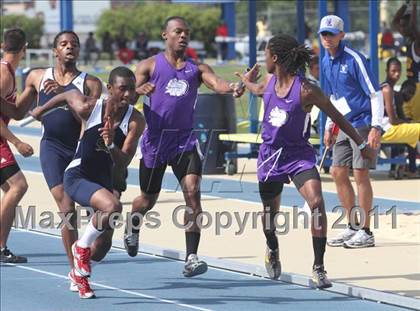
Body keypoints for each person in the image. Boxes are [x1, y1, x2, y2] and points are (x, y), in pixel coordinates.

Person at [236, 34, 375, 288]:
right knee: (269, 217)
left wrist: (362, 143)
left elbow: (339, 117)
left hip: (298, 155)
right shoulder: (267, 83)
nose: (264, 58)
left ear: (275, 58)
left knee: (317, 202)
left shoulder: (307, 90)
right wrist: (245, 82)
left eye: (265, 54)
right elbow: (257, 90)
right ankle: (272, 246)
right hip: (270, 156)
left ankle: (319, 267)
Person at [124, 16, 244, 277]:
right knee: (147, 200)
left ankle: (191, 256)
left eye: (186, 33)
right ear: (165, 35)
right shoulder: (148, 65)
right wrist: (138, 90)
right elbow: (126, 95)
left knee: (192, 193)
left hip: (184, 142)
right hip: (156, 143)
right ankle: (132, 227)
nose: (183, 36)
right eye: (178, 32)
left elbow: (216, 83)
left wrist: (232, 87)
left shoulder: (196, 69)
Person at [30, 66, 145, 299]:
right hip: (78, 175)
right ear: (109, 89)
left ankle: (77, 273)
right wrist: (41, 108)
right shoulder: (90, 108)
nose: (128, 94)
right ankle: (80, 250)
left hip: (104, 179)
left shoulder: (136, 120)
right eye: (122, 89)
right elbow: (67, 95)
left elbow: (122, 163)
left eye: (132, 89)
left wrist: (111, 144)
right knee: (112, 206)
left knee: (102, 248)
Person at [3, 31, 103, 286]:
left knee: (103, 221)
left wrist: (63, 92)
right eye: (63, 44)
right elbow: (16, 111)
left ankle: (87, 249)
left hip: (80, 151)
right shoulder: (38, 76)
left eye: (74, 44)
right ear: (55, 51)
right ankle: (75, 272)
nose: (69, 47)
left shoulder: (90, 83)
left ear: (79, 52)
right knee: (66, 208)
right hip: (53, 149)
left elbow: (88, 119)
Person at [318, 15, 384, 249]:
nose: (327, 38)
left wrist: (376, 127)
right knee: (337, 172)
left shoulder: (355, 59)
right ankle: (352, 226)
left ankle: (366, 232)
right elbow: (332, 97)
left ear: (341, 35)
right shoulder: (325, 61)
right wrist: (328, 126)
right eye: (323, 34)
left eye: (331, 34)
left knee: (360, 174)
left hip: (363, 123)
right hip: (343, 124)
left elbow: (375, 93)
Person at [0, 28, 34, 263]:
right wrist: (18, 142)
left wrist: (35, 95)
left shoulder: (8, 73)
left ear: (3, 46)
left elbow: (16, 112)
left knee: (11, 190)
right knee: (18, 186)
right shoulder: (4, 74)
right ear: (25, 48)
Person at [381, 58, 420, 178]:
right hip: (382, 129)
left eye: (398, 71)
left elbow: (397, 118)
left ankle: (395, 168)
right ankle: (412, 170)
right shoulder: (386, 89)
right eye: (393, 71)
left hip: (387, 127)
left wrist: (406, 122)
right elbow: (393, 120)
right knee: (414, 130)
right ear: (387, 71)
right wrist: (406, 122)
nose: (397, 74)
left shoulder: (395, 93)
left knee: (410, 128)